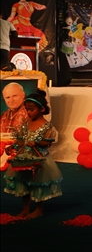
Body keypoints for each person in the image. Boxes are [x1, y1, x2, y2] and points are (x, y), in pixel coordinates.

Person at [2, 90, 62, 218]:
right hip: (24, 158)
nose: (28, 112)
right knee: (24, 183)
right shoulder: (25, 125)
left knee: (37, 183)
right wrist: (13, 146)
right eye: (27, 110)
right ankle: (25, 209)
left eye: (31, 110)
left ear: (42, 109)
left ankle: (38, 209)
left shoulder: (47, 126)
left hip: (40, 159)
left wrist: (37, 142)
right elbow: (20, 140)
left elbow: (48, 143)